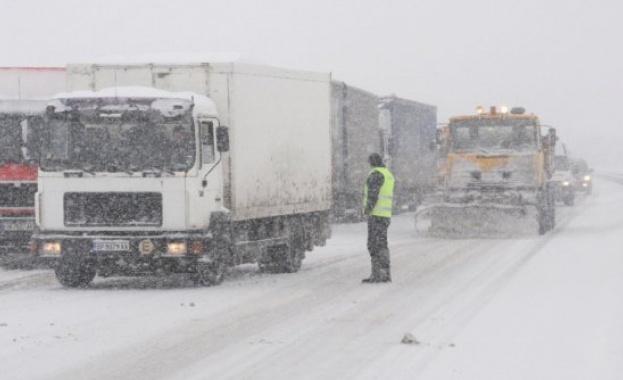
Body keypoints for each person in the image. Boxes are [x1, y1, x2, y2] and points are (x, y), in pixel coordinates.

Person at [362, 153, 395, 283]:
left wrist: (367, 210)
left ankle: (377, 275)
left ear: (371, 162)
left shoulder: (376, 174)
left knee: (374, 245)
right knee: (382, 244)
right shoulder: (387, 174)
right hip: (385, 216)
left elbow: (372, 195)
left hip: (376, 215)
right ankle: (385, 274)